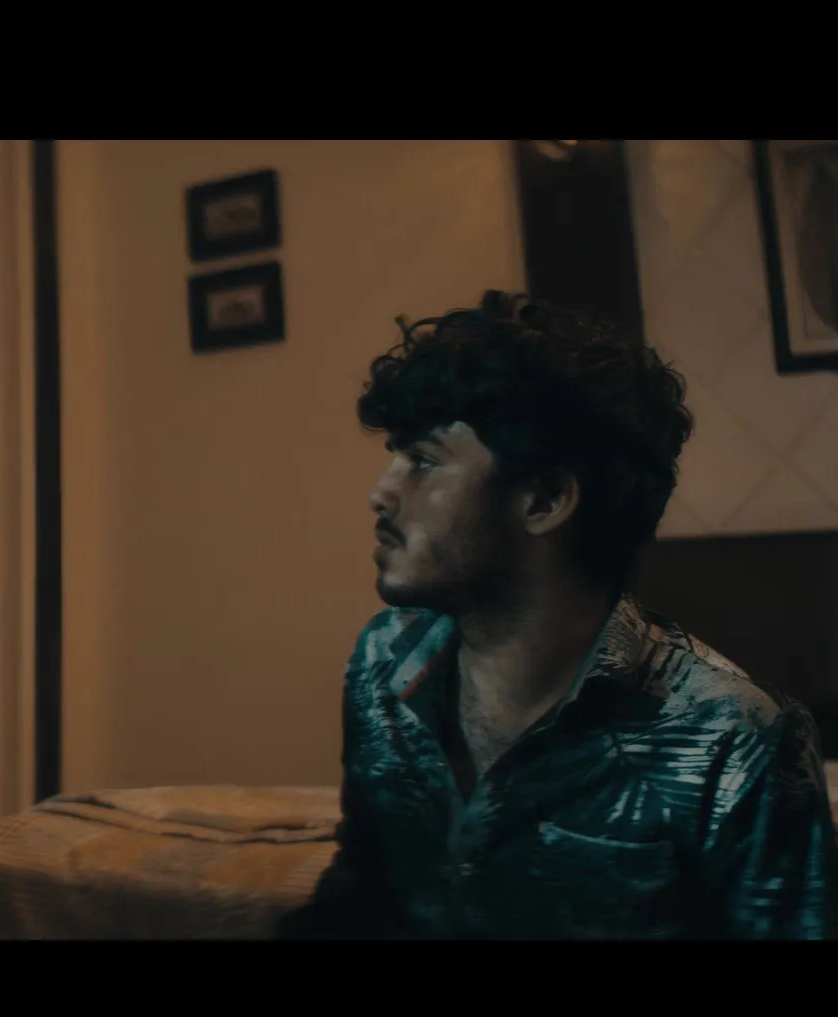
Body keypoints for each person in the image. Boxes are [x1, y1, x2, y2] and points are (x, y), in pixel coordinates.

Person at [281, 291, 835, 940]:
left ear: (544, 500)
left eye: (424, 461)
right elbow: (359, 896)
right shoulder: (384, 663)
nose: (381, 493)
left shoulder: (736, 741)